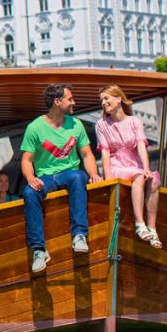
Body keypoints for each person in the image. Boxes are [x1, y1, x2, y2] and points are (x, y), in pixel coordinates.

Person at [21, 83, 101, 272]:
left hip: (69, 173)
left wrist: (95, 174)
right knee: (29, 193)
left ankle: (79, 235)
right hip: (46, 176)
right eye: (70, 99)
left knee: (78, 177)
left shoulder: (76, 124)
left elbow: (87, 155)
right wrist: (31, 177)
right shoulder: (35, 128)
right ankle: (39, 250)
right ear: (57, 102)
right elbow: (26, 160)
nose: (74, 102)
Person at [96, 85, 162, 249]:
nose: (103, 103)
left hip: (134, 164)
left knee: (153, 180)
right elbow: (104, 152)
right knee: (139, 176)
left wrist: (146, 167)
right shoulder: (101, 125)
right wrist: (107, 175)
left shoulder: (135, 121)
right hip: (116, 164)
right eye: (101, 100)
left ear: (118, 99)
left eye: (106, 98)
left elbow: (141, 146)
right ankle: (140, 224)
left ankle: (152, 229)